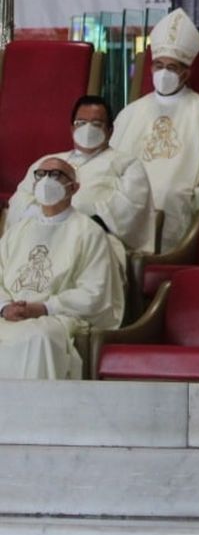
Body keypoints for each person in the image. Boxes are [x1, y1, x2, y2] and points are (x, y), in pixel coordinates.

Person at [110, 9, 199, 250]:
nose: (163, 73)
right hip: (130, 193)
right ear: (150, 69)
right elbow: (110, 160)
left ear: (186, 72)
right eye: (158, 65)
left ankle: (162, 256)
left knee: (168, 195)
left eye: (172, 67)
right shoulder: (131, 112)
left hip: (175, 195)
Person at [0, 157, 123, 379]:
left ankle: (34, 412)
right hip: (9, 315)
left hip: (56, 316)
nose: (47, 180)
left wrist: (44, 307)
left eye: (56, 175)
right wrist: (4, 306)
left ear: (74, 188)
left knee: (40, 338)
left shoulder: (89, 233)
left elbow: (94, 293)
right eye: (41, 175)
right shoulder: (19, 230)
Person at [8, 94, 156, 264]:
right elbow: (20, 200)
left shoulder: (127, 164)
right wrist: (43, 215)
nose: (88, 128)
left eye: (96, 124)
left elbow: (129, 210)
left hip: (93, 243)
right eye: (81, 123)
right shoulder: (47, 162)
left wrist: (71, 217)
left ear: (110, 130)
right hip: (40, 237)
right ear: (72, 128)